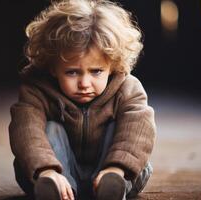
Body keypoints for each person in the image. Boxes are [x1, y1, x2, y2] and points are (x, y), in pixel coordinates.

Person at [9, 0, 156, 199]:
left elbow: (139, 130)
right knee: (51, 129)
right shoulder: (37, 89)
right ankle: (54, 186)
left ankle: (111, 186)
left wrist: (117, 168)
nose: (84, 83)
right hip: (52, 171)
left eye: (96, 71)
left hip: (118, 172)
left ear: (112, 65)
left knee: (124, 130)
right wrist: (46, 169)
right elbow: (25, 129)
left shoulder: (127, 88)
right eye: (72, 72)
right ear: (52, 67)